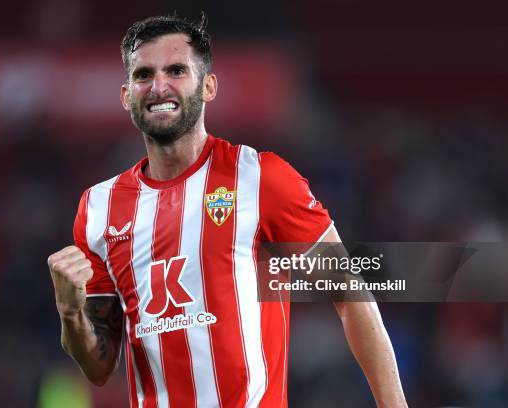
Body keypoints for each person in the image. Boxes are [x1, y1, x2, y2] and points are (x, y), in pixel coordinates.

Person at [47, 14, 407, 407]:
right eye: (144, 74)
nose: (159, 86)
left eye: (176, 70)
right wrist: (70, 313)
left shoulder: (260, 178)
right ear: (126, 94)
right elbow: (99, 368)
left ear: (208, 86)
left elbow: (350, 295)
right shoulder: (98, 207)